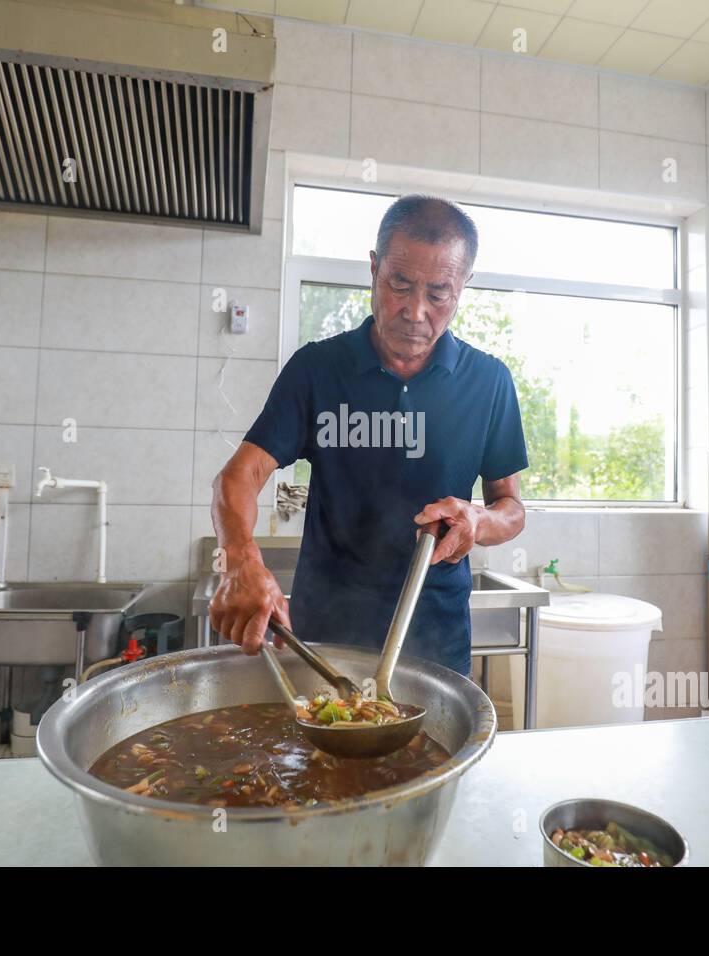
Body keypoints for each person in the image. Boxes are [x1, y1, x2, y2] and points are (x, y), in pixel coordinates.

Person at [209, 194, 527, 674]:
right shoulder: (318, 369)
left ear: (463, 286)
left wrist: (478, 520)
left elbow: (512, 508)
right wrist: (240, 558)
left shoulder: (489, 381)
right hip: (322, 642)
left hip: (435, 640)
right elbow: (238, 476)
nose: (416, 312)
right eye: (400, 283)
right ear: (374, 268)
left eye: (439, 293)